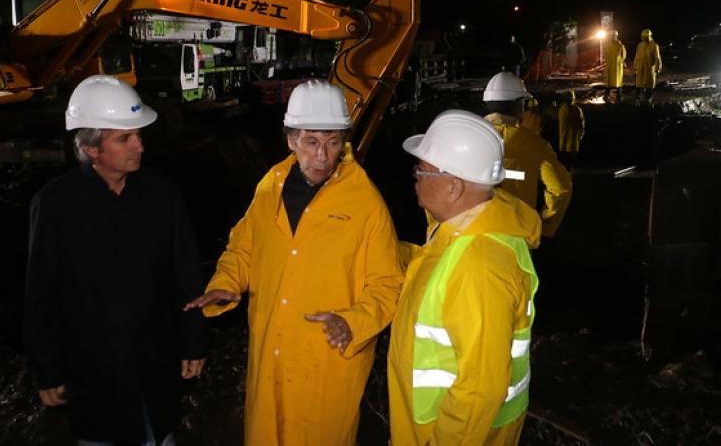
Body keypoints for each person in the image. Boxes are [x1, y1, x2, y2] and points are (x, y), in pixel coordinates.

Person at [185, 80, 402, 445]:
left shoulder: (365, 203)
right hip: (272, 354)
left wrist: (354, 322)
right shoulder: (270, 185)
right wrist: (226, 282)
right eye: (312, 142)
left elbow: (388, 283)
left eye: (333, 142)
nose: (323, 156)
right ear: (290, 140)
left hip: (327, 363)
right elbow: (243, 247)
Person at [25, 75, 208, 446]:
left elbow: (186, 274)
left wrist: (194, 341)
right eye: (125, 138)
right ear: (93, 147)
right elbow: (41, 293)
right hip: (93, 370)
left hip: (155, 361)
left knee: (160, 435)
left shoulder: (162, 195)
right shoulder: (56, 205)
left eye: (138, 135)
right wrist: (47, 370)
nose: (139, 146)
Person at [388, 110, 541, 445]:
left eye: (423, 171)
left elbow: (480, 388)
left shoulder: (480, 267)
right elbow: (435, 271)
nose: (415, 177)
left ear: (454, 186)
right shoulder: (462, 231)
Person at [482, 72, 572, 237]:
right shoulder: (536, 145)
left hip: (468, 239)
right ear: (518, 105)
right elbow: (561, 188)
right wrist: (544, 226)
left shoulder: (463, 139)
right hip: (516, 237)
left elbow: (436, 180)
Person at [633, 28, 662, 105]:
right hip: (641, 67)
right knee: (639, 83)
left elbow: (657, 58)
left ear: (648, 36)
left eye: (645, 37)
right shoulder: (640, 45)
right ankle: (637, 97)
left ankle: (649, 98)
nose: (643, 38)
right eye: (643, 37)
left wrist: (657, 68)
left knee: (649, 84)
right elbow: (637, 56)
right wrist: (635, 66)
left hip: (649, 68)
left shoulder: (654, 45)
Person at [558, 90, 586, 170]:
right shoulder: (577, 110)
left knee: (566, 160)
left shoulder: (562, 109)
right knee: (572, 159)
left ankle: (566, 173)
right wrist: (580, 135)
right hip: (573, 141)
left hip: (564, 141)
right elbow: (581, 124)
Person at [604, 30, 627, 101]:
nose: (612, 37)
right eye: (611, 36)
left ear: (616, 36)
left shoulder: (621, 45)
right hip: (610, 66)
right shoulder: (607, 45)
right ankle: (607, 95)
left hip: (617, 67)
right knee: (609, 82)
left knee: (618, 81)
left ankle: (619, 95)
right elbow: (606, 54)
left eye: (614, 36)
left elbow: (624, 55)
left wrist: (620, 61)